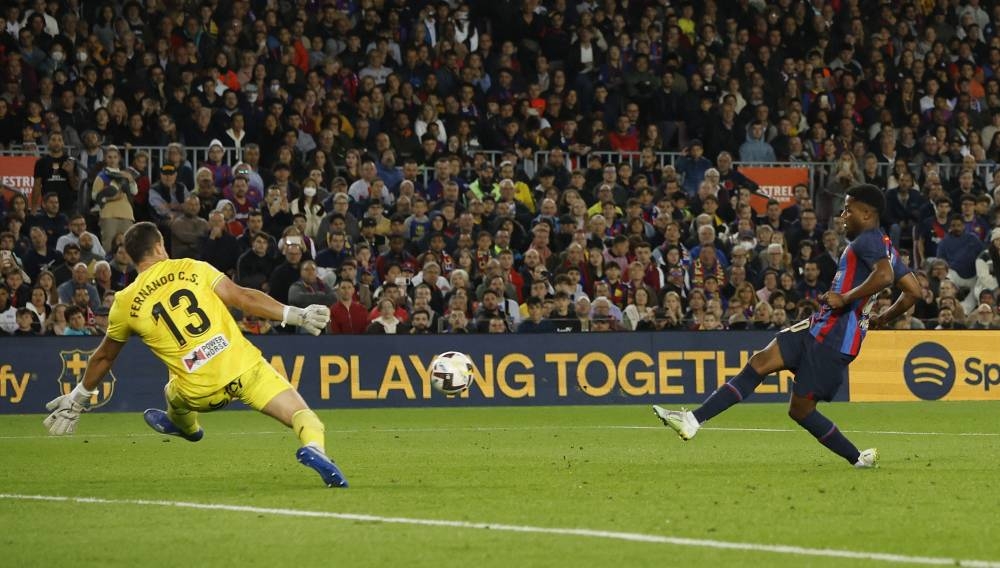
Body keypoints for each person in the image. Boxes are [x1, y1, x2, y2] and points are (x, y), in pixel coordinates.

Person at [42, 222, 347, 488]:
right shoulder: (193, 268)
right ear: (160, 245)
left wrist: (78, 398)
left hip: (198, 392)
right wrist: (297, 314)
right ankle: (314, 449)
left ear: (133, 258)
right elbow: (242, 298)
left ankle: (187, 427)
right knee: (303, 417)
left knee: (173, 390)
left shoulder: (125, 301)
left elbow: (104, 357)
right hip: (245, 369)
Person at [652, 185, 922, 468]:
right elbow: (913, 291)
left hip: (835, 338)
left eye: (848, 209)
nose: (842, 215)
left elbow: (884, 276)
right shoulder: (886, 245)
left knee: (801, 410)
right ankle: (692, 420)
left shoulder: (868, 241)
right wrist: (882, 318)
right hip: (821, 325)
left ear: (867, 214)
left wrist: (845, 297)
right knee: (759, 362)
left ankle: (857, 459)